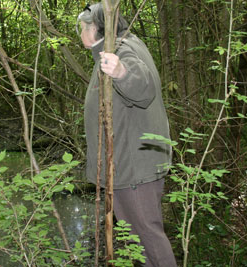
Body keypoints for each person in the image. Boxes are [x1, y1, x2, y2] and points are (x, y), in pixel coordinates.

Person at [77, 3, 178, 267]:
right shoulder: (119, 46)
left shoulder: (122, 51)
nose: (80, 33)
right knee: (138, 239)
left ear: (97, 28)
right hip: (129, 164)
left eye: (82, 28)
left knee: (148, 237)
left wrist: (121, 72)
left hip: (133, 168)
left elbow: (143, 88)